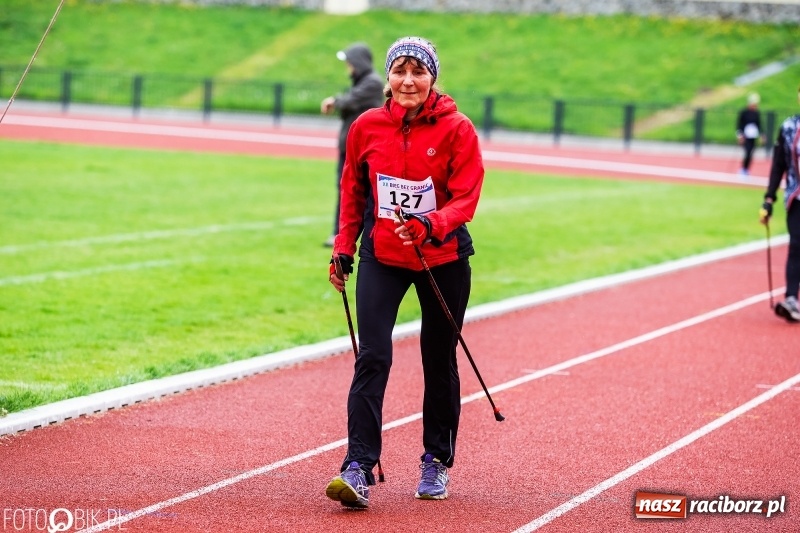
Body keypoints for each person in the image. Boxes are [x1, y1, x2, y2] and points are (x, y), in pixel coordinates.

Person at [324, 36, 485, 509]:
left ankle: (435, 460)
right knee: (372, 357)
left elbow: (466, 199)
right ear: (388, 78)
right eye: (400, 71)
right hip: (383, 256)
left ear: (433, 77)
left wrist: (430, 224)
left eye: (418, 71)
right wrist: (342, 249)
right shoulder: (366, 126)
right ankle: (357, 465)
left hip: (443, 259)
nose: (408, 80)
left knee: (438, 361)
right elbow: (352, 191)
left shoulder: (457, 129)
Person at [321, 42, 385, 247]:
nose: (348, 67)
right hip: (351, 147)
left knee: (355, 191)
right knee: (347, 190)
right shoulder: (362, 81)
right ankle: (340, 234)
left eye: (349, 62)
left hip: (361, 149)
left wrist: (335, 101)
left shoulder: (372, 82)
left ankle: (343, 234)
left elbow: (350, 100)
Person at [759, 84, 800, 322]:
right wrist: (768, 199)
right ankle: (792, 298)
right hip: (797, 198)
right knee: (797, 245)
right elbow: (778, 166)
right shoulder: (788, 128)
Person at [736, 93, 764, 176]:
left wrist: (762, 135)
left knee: (751, 153)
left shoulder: (756, 113)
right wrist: (739, 135)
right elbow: (739, 124)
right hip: (745, 136)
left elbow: (759, 125)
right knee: (747, 152)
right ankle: (743, 169)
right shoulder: (744, 112)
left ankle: (747, 169)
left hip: (753, 136)